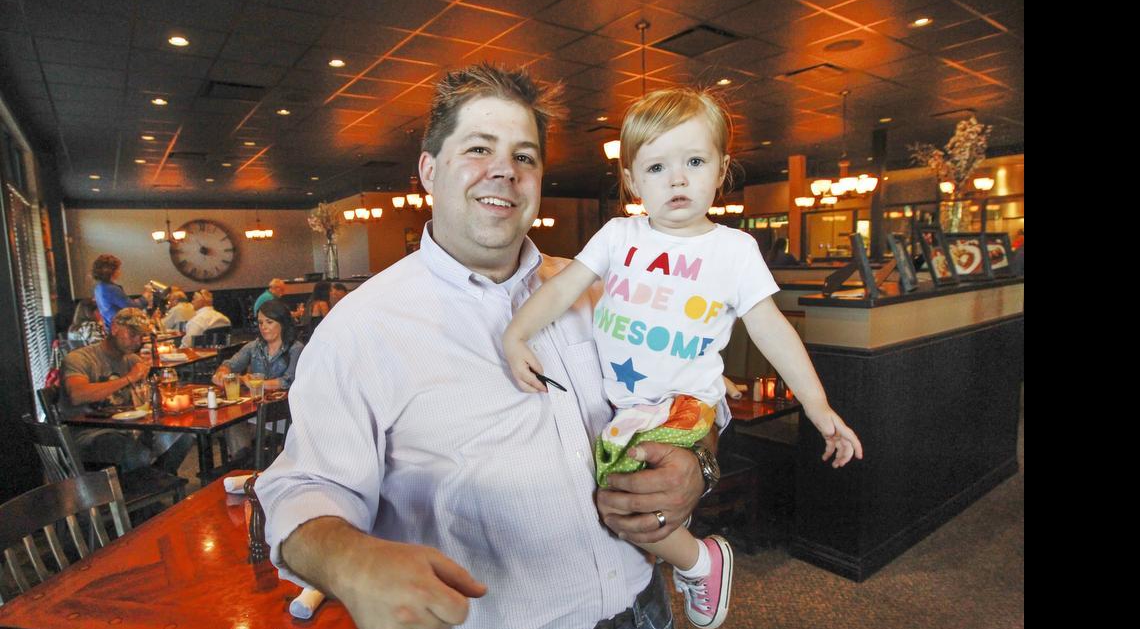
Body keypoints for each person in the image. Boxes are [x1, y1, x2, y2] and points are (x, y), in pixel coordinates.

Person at [256, 64, 715, 629]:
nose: (504, 171)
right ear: (429, 169)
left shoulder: (601, 290)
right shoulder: (360, 329)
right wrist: (350, 562)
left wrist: (698, 463)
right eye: (478, 148)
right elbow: (303, 486)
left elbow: (682, 402)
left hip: (646, 606)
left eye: (524, 156)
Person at [503, 87, 864, 628]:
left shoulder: (732, 250)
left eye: (694, 161)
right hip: (627, 408)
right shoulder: (617, 235)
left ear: (720, 170)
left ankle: (699, 561)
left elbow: (772, 328)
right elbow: (561, 289)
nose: (677, 179)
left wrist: (818, 405)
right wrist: (517, 335)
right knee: (617, 501)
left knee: (623, 500)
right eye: (657, 167)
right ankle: (696, 559)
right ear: (631, 181)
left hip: (683, 404)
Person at [60, 307, 194, 475]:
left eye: (141, 336)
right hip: (88, 434)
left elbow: (147, 400)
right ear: (115, 328)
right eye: (132, 335)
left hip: (129, 429)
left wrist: (156, 387)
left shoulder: (132, 360)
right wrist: (128, 378)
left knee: (183, 437)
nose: (137, 341)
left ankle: (152, 483)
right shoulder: (81, 358)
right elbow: (77, 395)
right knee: (135, 452)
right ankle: (141, 488)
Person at [212, 299, 304, 455]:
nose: (263, 327)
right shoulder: (254, 346)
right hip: (254, 412)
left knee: (235, 428)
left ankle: (245, 463)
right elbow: (231, 364)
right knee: (231, 423)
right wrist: (221, 372)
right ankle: (245, 464)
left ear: (282, 323)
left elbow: (289, 380)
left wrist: (257, 383)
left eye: (269, 322)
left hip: (282, 416)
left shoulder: (296, 348)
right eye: (260, 323)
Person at [91, 254, 153, 331]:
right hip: (119, 330)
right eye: (118, 269)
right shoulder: (111, 289)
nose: (120, 271)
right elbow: (132, 307)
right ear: (111, 271)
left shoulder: (99, 287)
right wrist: (145, 296)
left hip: (110, 327)